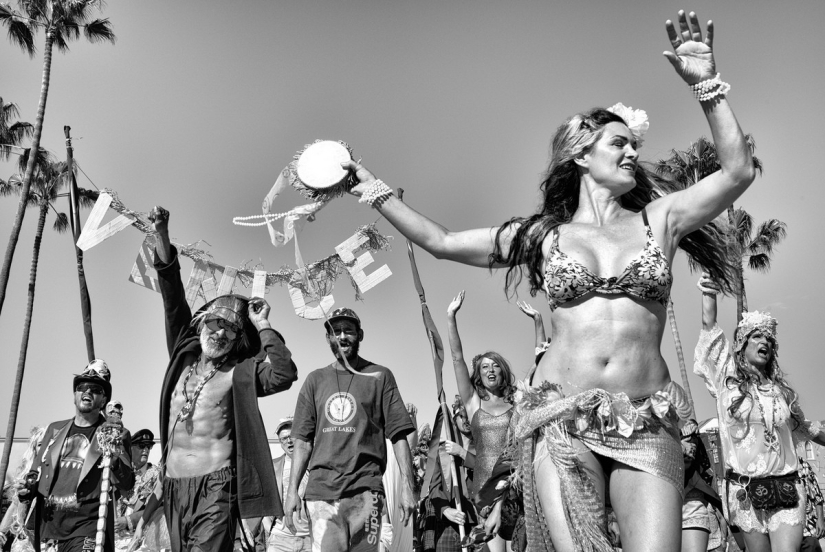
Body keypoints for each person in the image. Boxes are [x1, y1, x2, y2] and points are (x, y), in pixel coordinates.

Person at [341, 11, 756, 550]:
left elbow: (737, 172)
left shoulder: (661, 219)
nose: (634, 152)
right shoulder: (542, 237)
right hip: (563, 419)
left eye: (635, 145)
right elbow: (440, 242)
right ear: (582, 154)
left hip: (648, 421)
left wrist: (707, 85)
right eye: (619, 143)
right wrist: (373, 190)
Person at [149, 206, 299, 552]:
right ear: (202, 324)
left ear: (236, 340)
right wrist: (161, 234)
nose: (220, 333)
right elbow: (173, 299)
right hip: (173, 486)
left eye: (230, 329)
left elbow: (283, 373)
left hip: (217, 486)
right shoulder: (182, 356)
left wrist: (262, 324)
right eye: (216, 323)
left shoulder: (240, 373)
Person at [694, 273, 825, 552]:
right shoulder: (726, 382)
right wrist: (709, 293)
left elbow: (809, 429)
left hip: (788, 488)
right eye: (757, 335)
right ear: (742, 343)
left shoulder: (782, 393)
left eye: (768, 338)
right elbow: (710, 328)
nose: (764, 341)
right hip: (744, 492)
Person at [284, 307, 416, 552]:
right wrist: (292, 492)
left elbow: (399, 436)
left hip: (366, 491)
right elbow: (302, 441)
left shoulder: (380, 376)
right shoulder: (315, 380)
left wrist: (409, 487)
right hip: (322, 493)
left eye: (349, 331)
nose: (342, 337)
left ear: (360, 335)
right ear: (328, 338)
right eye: (336, 332)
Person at [17, 360, 135, 552]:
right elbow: (35, 474)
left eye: (95, 389)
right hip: (49, 526)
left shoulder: (114, 434)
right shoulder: (54, 429)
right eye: (82, 387)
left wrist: (114, 462)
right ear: (74, 395)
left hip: (88, 527)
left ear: (104, 400)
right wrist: (26, 490)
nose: (87, 392)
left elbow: (127, 485)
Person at [446, 291, 515, 552]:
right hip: (487, 489)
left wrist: (538, 323)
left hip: (517, 485)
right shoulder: (473, 404)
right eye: (484, 366)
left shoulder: (517, 405)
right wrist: (451, 317)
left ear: (503, 371)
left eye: (495, 365)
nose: (489, 370)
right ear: (479, 374)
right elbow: (456, 359)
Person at [262, 417, 310, 552]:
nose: (288, 441)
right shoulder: (273, 466)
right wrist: (267, 525)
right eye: (283, 438)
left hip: (309, 538)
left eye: (291, 436)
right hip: (280, 540)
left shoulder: (313, 465)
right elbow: (263, 498)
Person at [116, 430, 167, 552]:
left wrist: (128, 521)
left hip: (140, 540)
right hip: (116, 538)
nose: (146, 450)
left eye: (148, 447)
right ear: (130, 448)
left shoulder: (156, 475)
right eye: (141, 446)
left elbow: (157, 508)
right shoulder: (121, 474)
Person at [799, 456, 824, 552]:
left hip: (807, 529)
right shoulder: (772, 466)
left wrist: (820, 519)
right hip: (784, 533)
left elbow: (817, 494)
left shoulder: (802, 464)